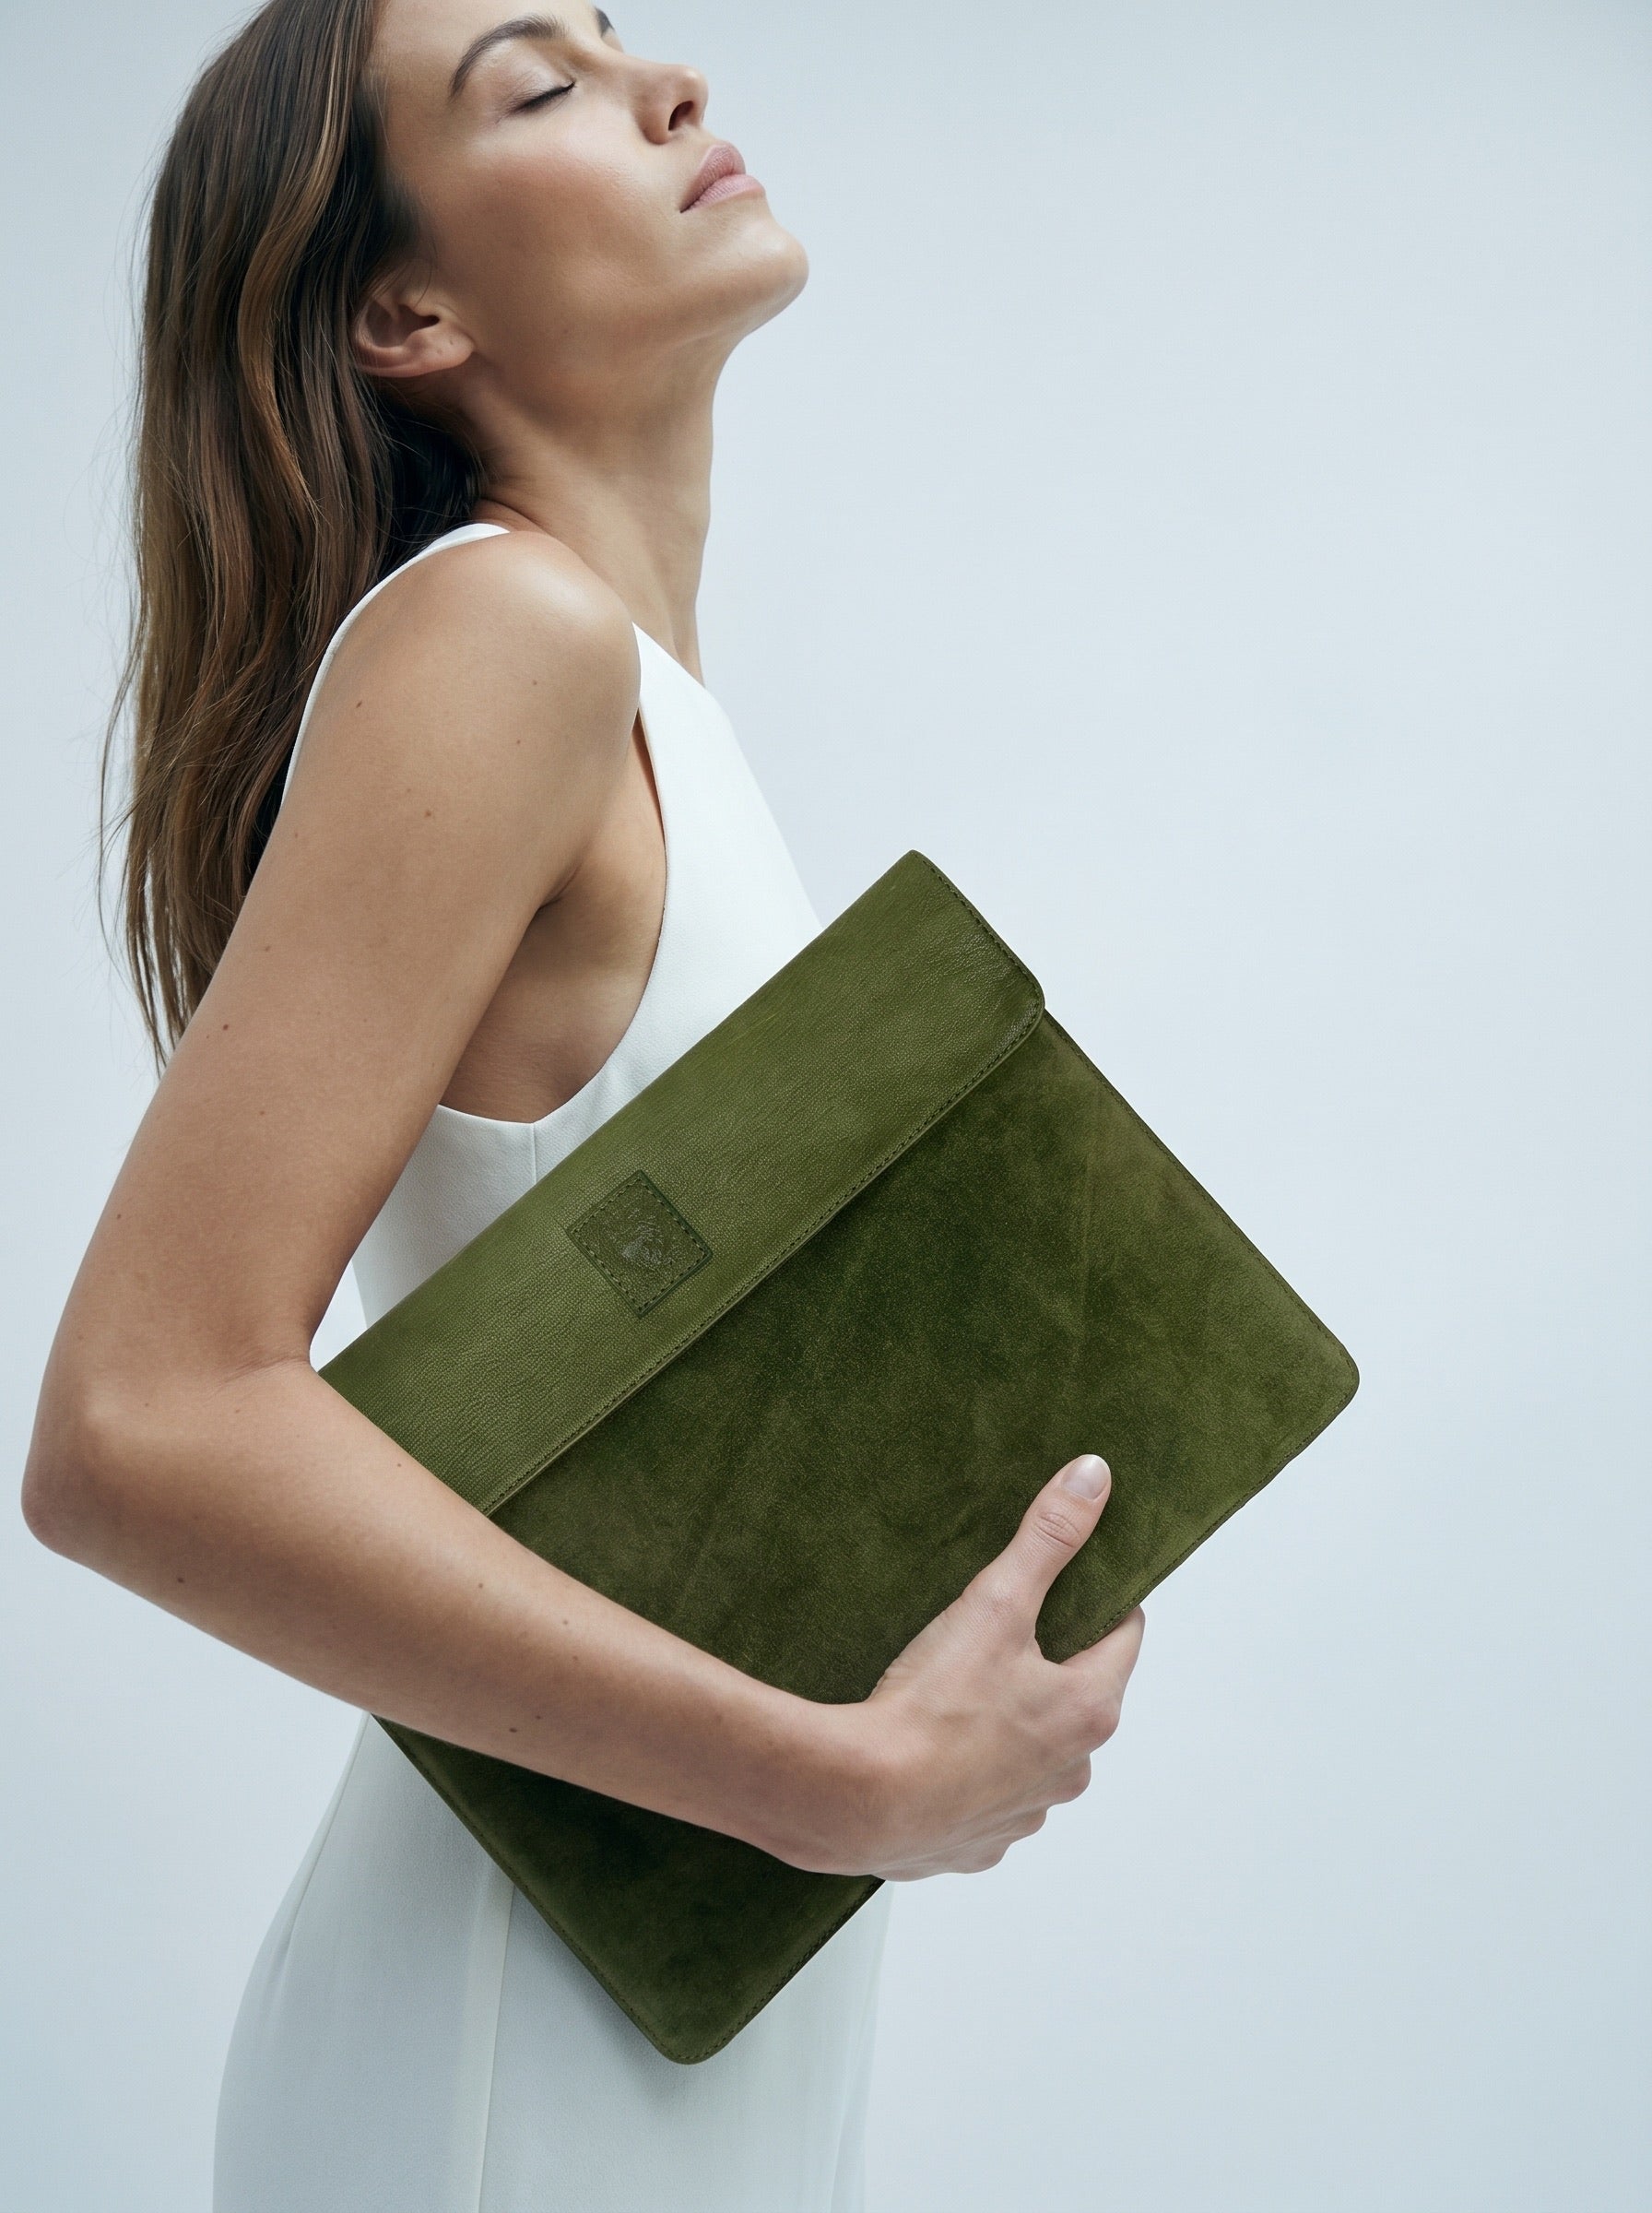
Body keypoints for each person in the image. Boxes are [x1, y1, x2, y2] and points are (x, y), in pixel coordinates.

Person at [20, 2, 1147, 2206]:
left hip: (685, 1996)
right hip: (524, 2018)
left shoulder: (634, 709)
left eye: (620, 37)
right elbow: (136, 1424)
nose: (671, 84)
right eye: (536, 83)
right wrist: (828, 1785)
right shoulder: (501, 644)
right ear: (403, 313)